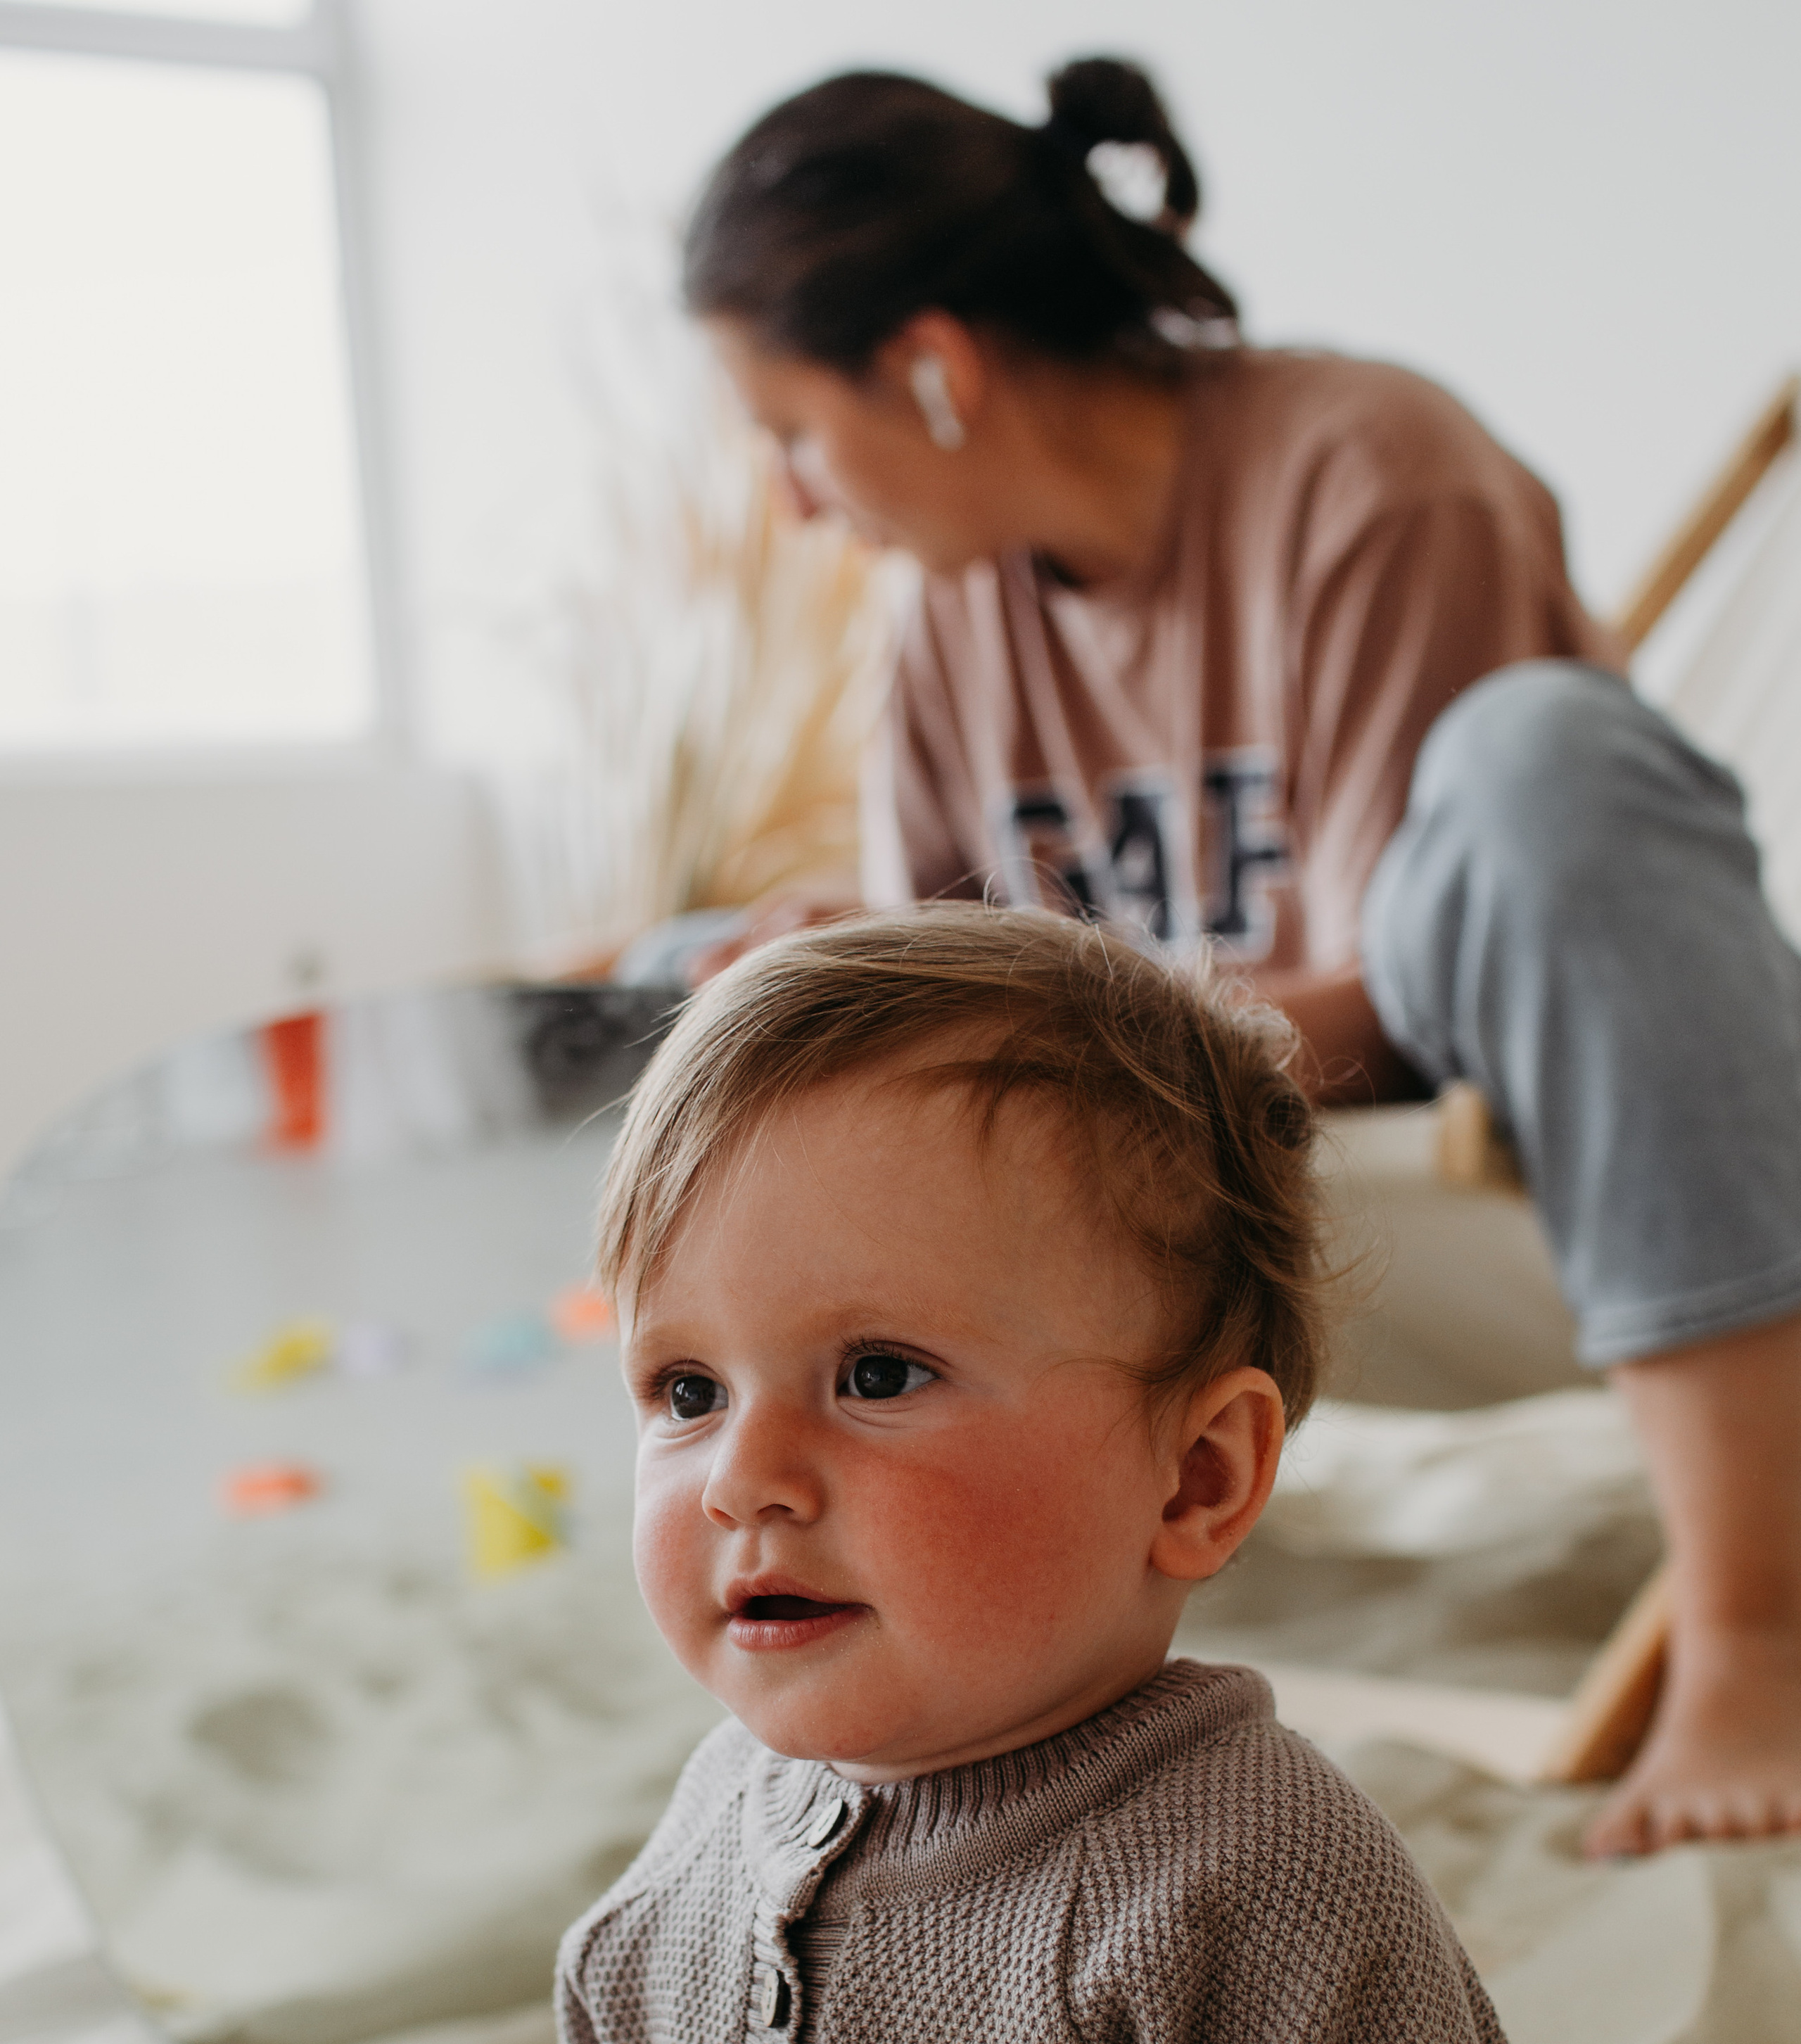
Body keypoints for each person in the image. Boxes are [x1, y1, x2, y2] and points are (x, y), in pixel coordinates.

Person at [258, 910, 1544, 2044]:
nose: (746, 1478)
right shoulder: (732, 1809)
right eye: (684, 1391)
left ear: (1195, 1472)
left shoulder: (1248, 1890)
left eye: (875, 1374)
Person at [680, 59, 1801, 1861]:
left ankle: (1757, 1630)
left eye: (793, 433)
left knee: (1546, 763)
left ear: (932, 368)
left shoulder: (1369, 474)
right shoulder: (948, 636)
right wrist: (860, 985)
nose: (799, 505)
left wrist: (1032, 1020)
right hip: (1151, 1207)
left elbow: (1410, 998)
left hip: (1481, 1146)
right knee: (788, 968)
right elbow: (942, 1033)